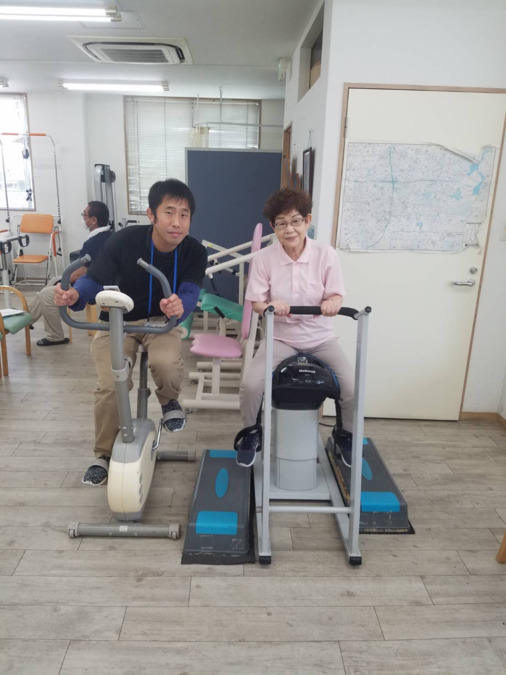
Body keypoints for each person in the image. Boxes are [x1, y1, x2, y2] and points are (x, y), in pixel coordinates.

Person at [54, 179, 207, 486]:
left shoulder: (194, 251)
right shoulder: (124, 240)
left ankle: (169, 401)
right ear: (151, 214)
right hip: (117, 320)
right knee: (112, 383)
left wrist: (179, 306)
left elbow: (190, 292)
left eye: (184, 214)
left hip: (161, 321)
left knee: (165, 363)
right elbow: (94, 280)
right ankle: (103, 454)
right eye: (169, 212)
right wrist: (76, 295)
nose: (177, 222)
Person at [235, 187, 355, 468]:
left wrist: (332, 303)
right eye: (281, 223)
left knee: (351, 386)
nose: (289, 229)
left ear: (307, 221)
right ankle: (251, 433)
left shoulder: (326, 254)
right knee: (251, 386)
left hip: (321, 337)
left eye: (295, 221)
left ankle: (345, 434)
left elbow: (336, 295)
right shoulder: (263, 259)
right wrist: (270, 306)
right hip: (281, 337)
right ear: (273, 226)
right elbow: (257, 303)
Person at [28, 201, 112, 346]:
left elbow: (81, 272)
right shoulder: (105, 235)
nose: (83, 218)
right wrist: (61, 279)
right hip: (95, 279)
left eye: (84, 215)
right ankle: (27, 318)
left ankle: (54, 336)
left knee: (47, 295)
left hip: (94, 284)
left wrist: (64, 281)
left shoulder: (95, 241)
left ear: (93, 220)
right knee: (53, 280)